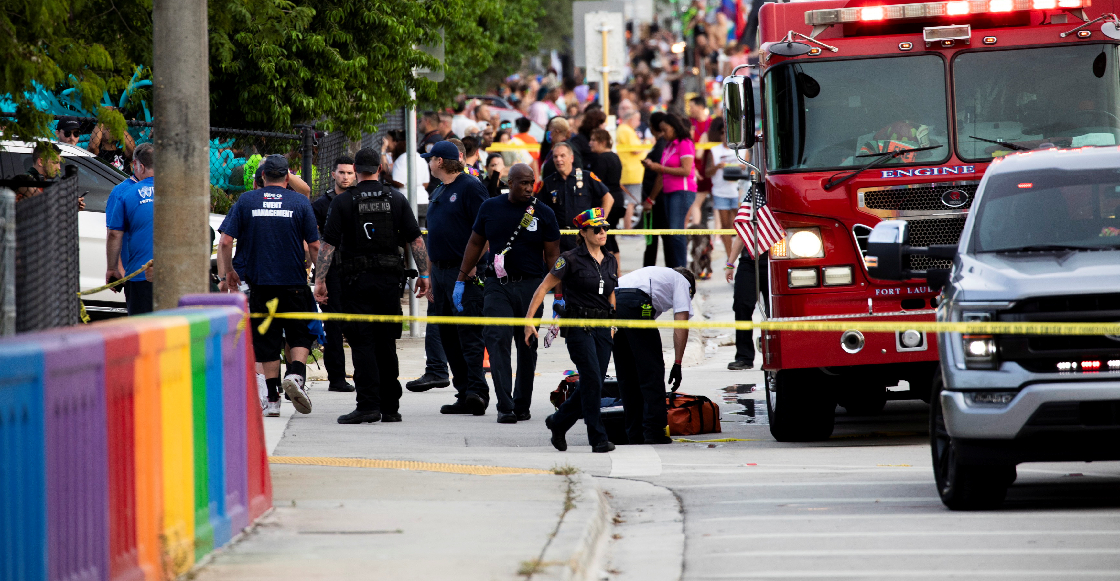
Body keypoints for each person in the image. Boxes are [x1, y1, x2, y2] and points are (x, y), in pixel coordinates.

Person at [314, 147, 430, 424]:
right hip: (390, 282)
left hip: (356, 282)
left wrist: (320, 281)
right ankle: (390, 407)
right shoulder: (396, 199)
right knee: (386, 342)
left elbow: (327, 245)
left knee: (362, 342)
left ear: (355, 169)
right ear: (380, 168)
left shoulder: (343, 202)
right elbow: (415, 240)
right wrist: (425, 275)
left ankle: (367, 405)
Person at [217, 154, 321, 417]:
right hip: (294, 283)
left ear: (262, 177)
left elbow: (226, 242)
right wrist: (320, 276)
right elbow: (315, 245)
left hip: (260, 284)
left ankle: (273, 399)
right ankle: (296, 376)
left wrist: (227, 272)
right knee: (300, 333)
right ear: (287, 177)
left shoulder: (246, 201)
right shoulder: (299, 202)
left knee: (267, 341)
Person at [457, 163, 561, 422]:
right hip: (496, 286)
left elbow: (553, 256)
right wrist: (461, 278)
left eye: (531, 182)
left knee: (527, 345)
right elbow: (475, 242)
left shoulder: (544, 213)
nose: (528, 188)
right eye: (523, 183)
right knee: (496, 341)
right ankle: (505, 406)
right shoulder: (490, 208)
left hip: (531, 287)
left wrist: (559, 295)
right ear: (509, 182)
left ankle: (522, 404)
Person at [524, 208, 617, 453]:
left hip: (603, 328)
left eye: (605, 228)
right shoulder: (570, 258)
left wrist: (613, 322)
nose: (602, 233)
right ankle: (597, 438)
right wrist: (529, 321)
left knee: (592, 382)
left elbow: (611, 292)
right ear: (583, 232)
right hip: (578, 327)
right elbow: (543, 288)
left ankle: (559, 422)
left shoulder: (610, 259)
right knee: (593, 380)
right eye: (597, 229)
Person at [415, 141, 490, 414]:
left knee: (468, 335)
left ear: (441, 161)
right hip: (441, 272)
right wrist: (430, 274)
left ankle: (477, 393)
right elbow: (435, 235)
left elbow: (485, 232)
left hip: (464, 272)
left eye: (430, 159)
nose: (428, 163)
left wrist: (471, 267)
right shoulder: (439, 190)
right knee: (448, 335)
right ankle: (463, 393)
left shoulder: (470, 187)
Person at [614, 266, 696, 444]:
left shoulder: (655, 278)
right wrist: (678, 363)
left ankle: (634, 433)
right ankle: (653, 431)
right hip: (636, 304)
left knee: (628, 374)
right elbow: (681, 325)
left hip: (614, 303)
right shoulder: (681, 282)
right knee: (652, 372)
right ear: (689, 288)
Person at [311, 155, 357, 393]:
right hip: (333, 271)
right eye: (342, 173)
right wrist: (321, 276)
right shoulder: (321, 205)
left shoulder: (359, 200)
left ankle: (364, 374)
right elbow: (314, 243)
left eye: (350, 173)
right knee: (334, 327)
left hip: (357, 271)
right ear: (333, 174)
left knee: (358, 326)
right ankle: (337, 378)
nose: (346, 177)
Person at [105, 142, 157, 315]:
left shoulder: (125, 194)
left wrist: (112, 269)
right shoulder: (176, 192)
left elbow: (114, 234)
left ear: (139, 166)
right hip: (171, 274)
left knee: (143, 331)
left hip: (139, 274)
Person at [537, 142, 613, 253]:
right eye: (555, 157)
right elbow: (538, 208)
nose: (558, 159)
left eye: (562, 156)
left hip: (582, 237)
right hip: (558, 238)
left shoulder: (587, 177)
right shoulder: (548, 183)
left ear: (571, 158)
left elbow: (608, 198)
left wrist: (599, 223)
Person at [642, 113, 696, 268]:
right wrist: (651, 198)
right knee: (673, 233)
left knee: (676, 232)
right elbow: (661, 174)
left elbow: (686, 170)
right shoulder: (668, 145)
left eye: (665, 130)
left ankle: (681, 269)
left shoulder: (684, 143)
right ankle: (677, 268)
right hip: (668, 192)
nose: (663, 134)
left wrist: (660, 168)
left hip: (682, 191)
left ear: (674, 127)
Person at [725, 234, 768, 371]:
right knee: (742, 305)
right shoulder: (749, 211)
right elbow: (740, 236)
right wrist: (730, 263)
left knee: (774, 311)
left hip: (775, 259)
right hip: (748, 260)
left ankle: (771, 356)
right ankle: (744, 357)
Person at [704, 119, 744, 261]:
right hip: (721, 192)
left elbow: (747, 167)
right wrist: (717, 167)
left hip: (737, 191)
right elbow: (707, 172)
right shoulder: (714, 151)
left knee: (742, 227)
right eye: (722, 133)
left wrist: (736, 167)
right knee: (726, 228)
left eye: (727, 133)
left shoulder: (741, 149)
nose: (724, 136)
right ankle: (730, 259)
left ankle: (743, 258)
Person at [589, 129, 624, 274]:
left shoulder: (601, 159)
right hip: (618, 200)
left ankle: (610, 272)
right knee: (611, 237)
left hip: (607, 203)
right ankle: (618, 272)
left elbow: (597, 184)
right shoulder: (615, 157)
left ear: (603, 142)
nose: (590, 143)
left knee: (604, 237)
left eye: (594, 140)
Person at [640, 112, 673, 267]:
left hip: (658, 200)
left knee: (658, 240)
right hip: (657, 199)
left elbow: (661, 174)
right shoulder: (661, 145)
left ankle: (657, 270)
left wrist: (650, 199)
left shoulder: (661, 146)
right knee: (654, 240)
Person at [615, 111, 646, 229]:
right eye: (637, 120)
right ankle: (628, 229)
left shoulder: (624, 130)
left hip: (629, 171)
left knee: (629, 202)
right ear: (630, 120)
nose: (639, 123)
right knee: (630, 203)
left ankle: (627, 228)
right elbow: (636, 149)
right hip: (632, 172)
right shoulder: (626, 130)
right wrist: (647, 143)